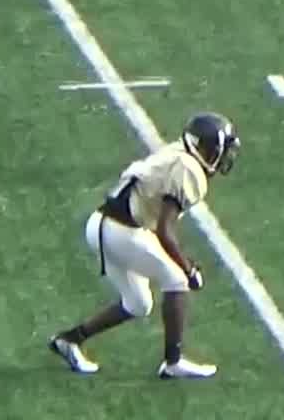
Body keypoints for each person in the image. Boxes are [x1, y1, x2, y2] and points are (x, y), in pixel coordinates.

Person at [48, 113, 240, 379]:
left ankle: (69, 340)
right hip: (120, 231)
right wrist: (188, 268)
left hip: (103, 224)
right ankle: (173, 361)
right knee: (177, 280)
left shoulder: (177, 152)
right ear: (209, 148)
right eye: (221, 149)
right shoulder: (189, 169)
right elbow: (164, 229)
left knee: (138, 304)